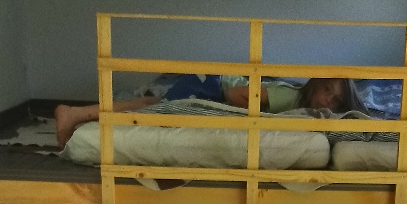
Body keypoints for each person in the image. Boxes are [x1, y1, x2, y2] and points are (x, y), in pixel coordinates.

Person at [55, 72, 305, 146]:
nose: (329, 102)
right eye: (329, 91)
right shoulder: (292, 97)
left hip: (207, 82)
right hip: (212, 90)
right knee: (147, 116)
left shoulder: (295, 93)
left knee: (148, 105)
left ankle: (75, 114)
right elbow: (236, 94)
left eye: (336, 101)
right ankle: (80, 119)